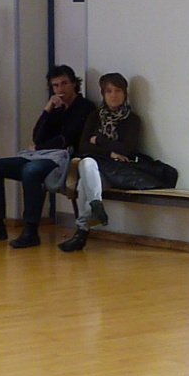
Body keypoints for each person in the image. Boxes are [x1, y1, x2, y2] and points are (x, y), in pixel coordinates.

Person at [0, 65, 95, 248]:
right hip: (41, 155)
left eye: (64, 83)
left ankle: (30, 230)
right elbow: (37, 136)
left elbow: (67, 138)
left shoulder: (85, 107)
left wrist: (38, 147)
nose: (60, 89)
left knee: (31, 170)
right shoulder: (56, 109)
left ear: (74, 84)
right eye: (55, 85)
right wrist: (48, 108)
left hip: (64, 158)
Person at [57, 72, 141, 252]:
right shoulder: (95, 116)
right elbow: (83, 146)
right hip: (97, 167)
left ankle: (81, 232)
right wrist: (110, 152)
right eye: (108, 91)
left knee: (83, 185)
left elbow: (127, 149)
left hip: (118, 170)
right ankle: (96, 204)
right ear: (103, 94)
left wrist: (100, 140)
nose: (113, 95)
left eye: (118, 90)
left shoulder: (133, 119)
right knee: (87, 163)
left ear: (125, 93)